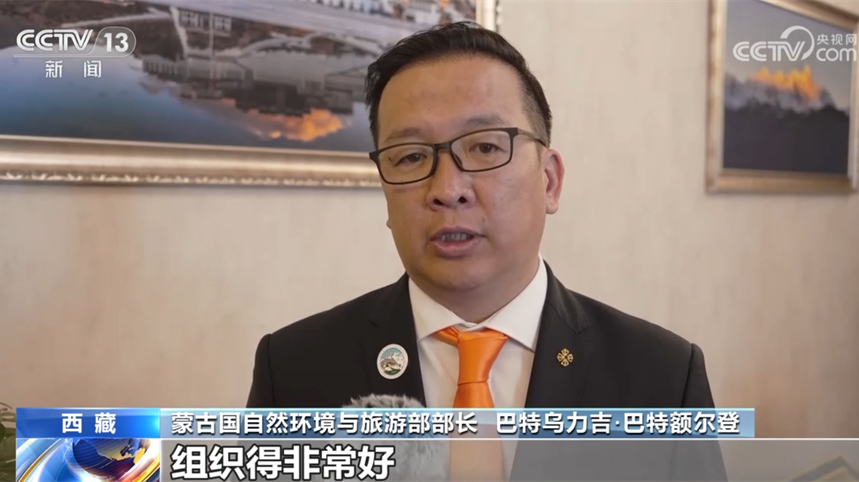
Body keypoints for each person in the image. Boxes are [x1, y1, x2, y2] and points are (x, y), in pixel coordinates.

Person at [247, 21, 723, 481]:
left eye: (485, 148)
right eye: (411, 156)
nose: (447, 189)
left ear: (549, 181)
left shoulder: (663, 377)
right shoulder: (292, 370)